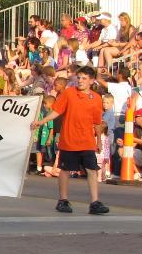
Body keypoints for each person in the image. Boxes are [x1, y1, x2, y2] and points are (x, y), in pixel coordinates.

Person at [30, 66, 110, 215]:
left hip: (87, 140)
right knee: (65, 170)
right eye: (79, 78)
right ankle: (63, 200)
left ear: (91, 81)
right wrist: (41, 122)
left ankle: (94, 202)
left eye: (84, 78)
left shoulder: (96, 98)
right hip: (69, 139)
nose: (80, 81)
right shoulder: (69, 93)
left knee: (92, 170)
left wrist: (98, 140)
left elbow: (97, 122)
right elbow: (57, 111)